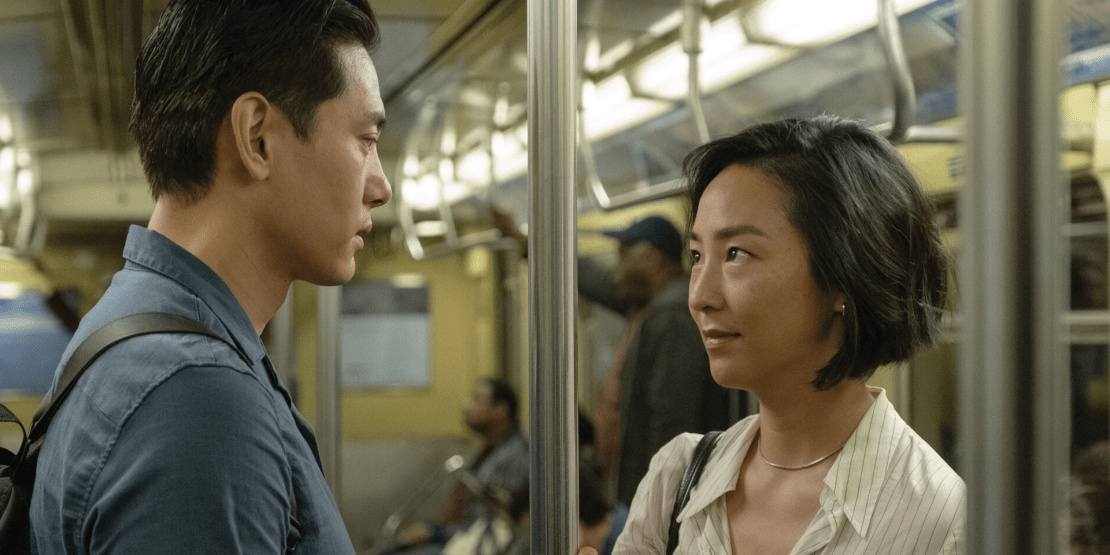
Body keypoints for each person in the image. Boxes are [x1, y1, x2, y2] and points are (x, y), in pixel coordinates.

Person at [29, 1, 390, 553]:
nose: (380, 186)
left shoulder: (129, 331)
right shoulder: (198, 404)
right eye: (365, 141)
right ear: (258, 137)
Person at [612, 116, 965, 554]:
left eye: (737, 254)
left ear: (843, 276)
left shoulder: (940, 523)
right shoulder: (678, 479)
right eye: (698, 256)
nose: (699, 296)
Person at [494, 211, 735, 507]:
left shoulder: (672, 319)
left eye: (623, 255)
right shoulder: (647, 307)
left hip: (656, 499)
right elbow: (591, 279)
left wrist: (655, 506)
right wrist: (526, 244)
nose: (617, 269)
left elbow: (672, 426)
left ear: (653, 261)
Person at [390, 378, 529, 554]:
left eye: (477, 399)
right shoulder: (488, 450)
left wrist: (433, 532)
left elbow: (493, 526)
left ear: (500, 410)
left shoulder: (515, 457)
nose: (466, 406)